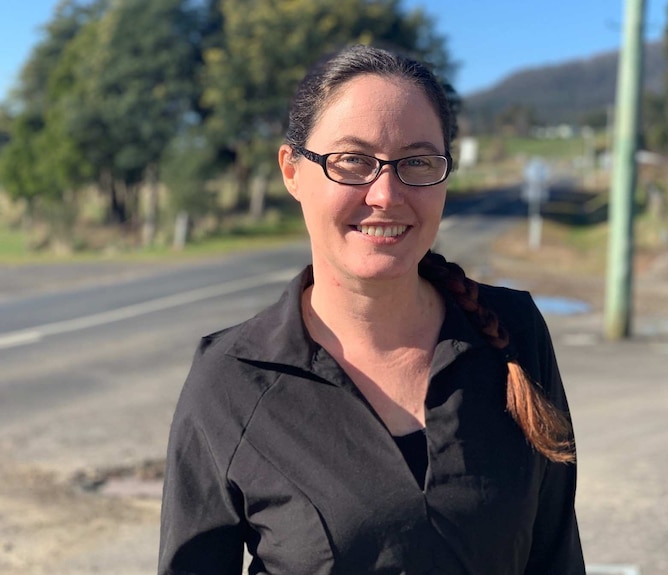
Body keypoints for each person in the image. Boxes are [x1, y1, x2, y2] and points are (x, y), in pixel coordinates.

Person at [158, 44, 586, 575]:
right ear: (292, 171)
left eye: (417, 162)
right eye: (353, 161)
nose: (386, 193)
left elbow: (555, 555)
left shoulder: (514, 333)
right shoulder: (231, 380)